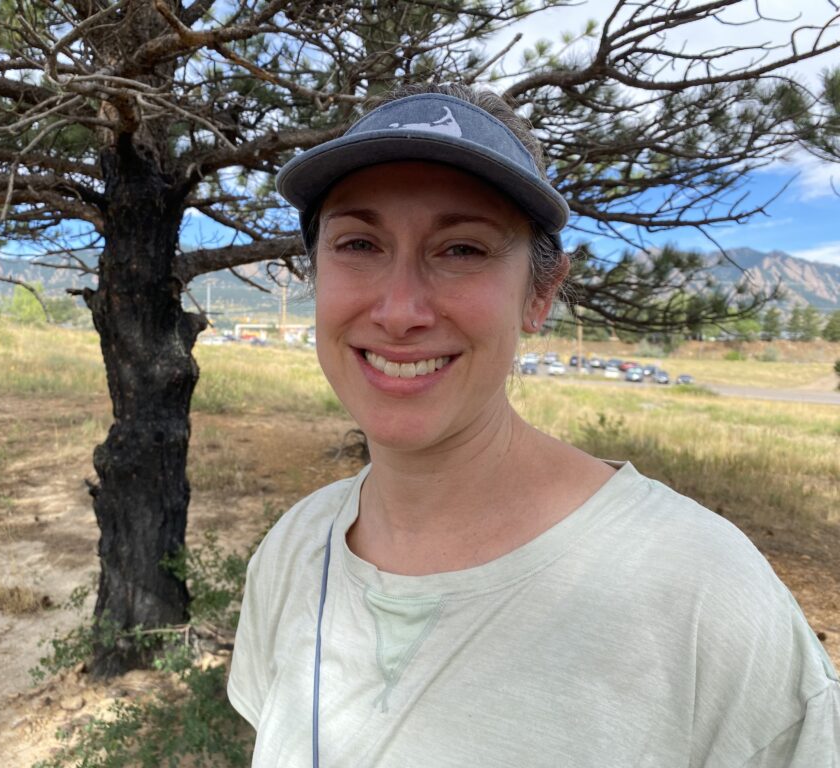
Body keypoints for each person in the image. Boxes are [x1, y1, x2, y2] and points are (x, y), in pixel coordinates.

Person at [227, 83, 840, 767]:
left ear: (540, 292)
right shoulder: (292, 553)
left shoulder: (702, 593)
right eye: (359, 243)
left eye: (462, 249)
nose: (400, 310)